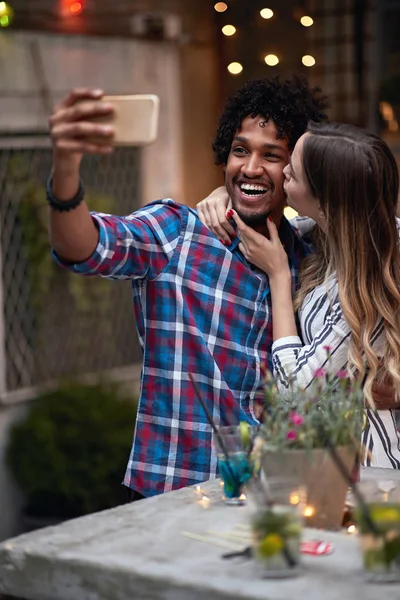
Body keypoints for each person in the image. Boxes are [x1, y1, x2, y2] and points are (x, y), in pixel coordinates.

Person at [47, 76, 328, 498]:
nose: (250, 168)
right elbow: (85, 245)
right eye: (240, 150)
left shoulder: (309, 258)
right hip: (174, 493)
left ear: (293, 173)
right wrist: (66, 169)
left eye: (271, 155)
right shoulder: (178, 233)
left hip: (272, 496)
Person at [197, 121, 400, 468]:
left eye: (292, 172)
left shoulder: (368, 282)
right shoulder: (327, 237)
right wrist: (225, 194)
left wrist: (278, 275)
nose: (283, 171)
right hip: (321, 460)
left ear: (326, 203)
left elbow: (296, 391)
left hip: (363, 467)